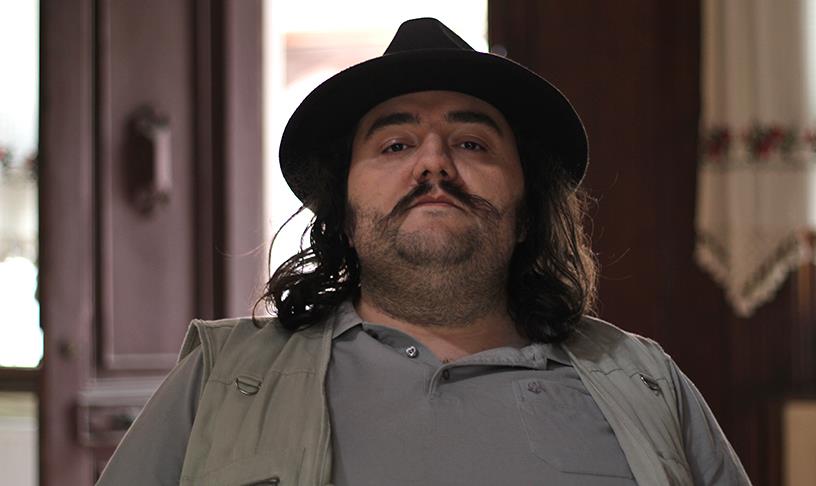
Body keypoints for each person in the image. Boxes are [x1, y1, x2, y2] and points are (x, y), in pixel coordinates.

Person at [97, 18, 751, 486]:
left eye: (471, 144)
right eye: (395, 145)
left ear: (528, 210)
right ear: (344, 215)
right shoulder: (218, 382)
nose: (434, 163)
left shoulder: (648, 384)